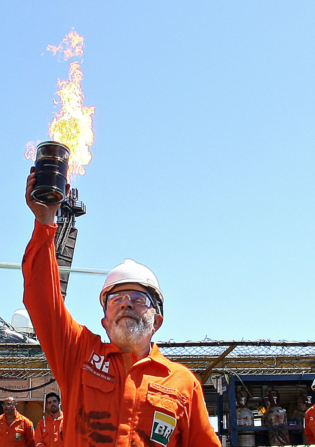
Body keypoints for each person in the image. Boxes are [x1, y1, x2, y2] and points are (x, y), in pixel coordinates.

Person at [22, 173, 221, 447]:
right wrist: (45, 221)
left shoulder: (184, 383)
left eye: (139, 299)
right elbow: (41, 300)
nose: (127, 303)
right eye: (116, 299)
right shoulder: (79, 355)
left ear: (157, 321)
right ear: (105, 322)